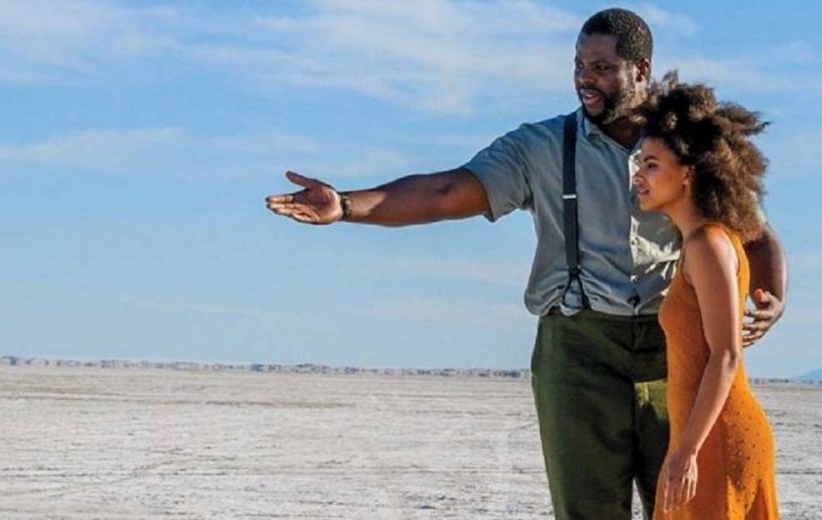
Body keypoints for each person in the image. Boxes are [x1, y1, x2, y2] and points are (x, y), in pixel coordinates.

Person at [266, 8, 787, 519]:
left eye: (601, 67)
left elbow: (755, 233)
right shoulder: (539, 148)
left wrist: (771, 295)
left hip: (673, 350)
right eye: (579, 65)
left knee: (685, 508)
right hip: (578, 353)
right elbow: (446, 190)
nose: (585, 79)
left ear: (641, 70)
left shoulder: (683, 150)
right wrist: (348, 205)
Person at [632, 74, 780, 519]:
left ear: (688, 173)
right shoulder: (697, 243)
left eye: (651, 165)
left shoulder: (708, 244)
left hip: (717, 439)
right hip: (698, 439)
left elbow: (726, 354)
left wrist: (686, 452)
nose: (638, 175)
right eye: (640, 163)